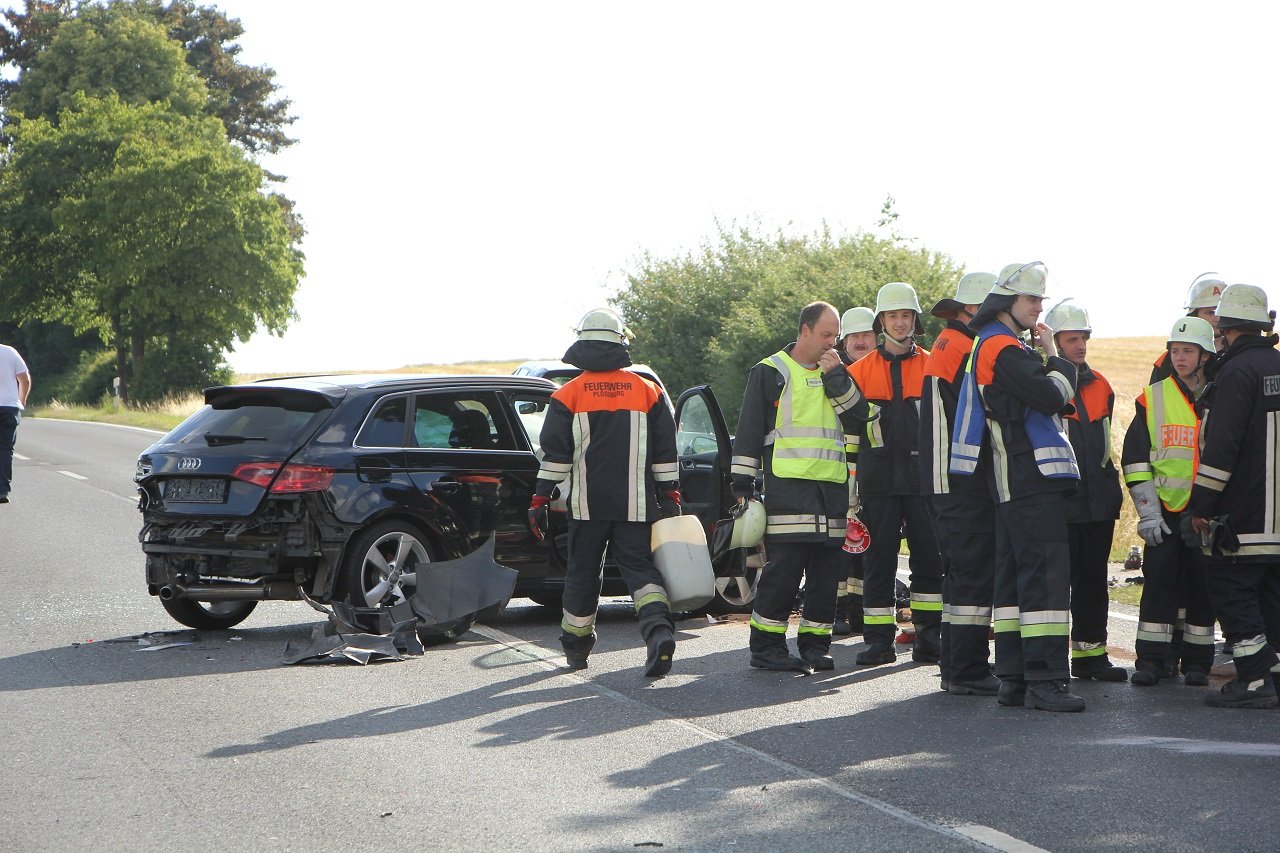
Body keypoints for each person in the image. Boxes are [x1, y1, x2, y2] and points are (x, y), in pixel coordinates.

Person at [950, 262, 1086, 712]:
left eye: (1040, 299)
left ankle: (1015, 679)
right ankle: (1046, 680)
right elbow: (1053, 396)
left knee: (1013, 583)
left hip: (1011, 482)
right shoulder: (1004, 348)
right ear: (1007, 301)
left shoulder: (991, 344)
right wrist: (1056, 357)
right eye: (1031, 299)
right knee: (1045, 581)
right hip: (1030, 479)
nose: (1039, 308)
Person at [528, 307, 682, 677]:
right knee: (640, 570)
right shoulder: (649, 392)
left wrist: (540, 498)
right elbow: (666, 452)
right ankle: (658, 631)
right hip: (637, 505)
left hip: (588, 507)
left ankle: (576, 648)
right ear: (620, 343)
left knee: (582, 574)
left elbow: (555, 457)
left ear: (581, 345)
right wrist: (670, 495)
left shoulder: (567, 395)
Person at [731, 301, 862, 672]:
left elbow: (860, 417)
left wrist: (837, 378)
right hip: (789, 490)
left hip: (831, 490)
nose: (831, 343)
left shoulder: (838, 371)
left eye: (835, 336)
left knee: (826, 576)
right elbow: (749, 429)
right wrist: (741, 484)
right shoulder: (770, 371)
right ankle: (766, 647)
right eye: (825, 335)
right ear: (805, 330)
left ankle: (816, 646)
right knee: (784, 571)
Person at [1188, 284, 1280, 708]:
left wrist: (1201, 506)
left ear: (1224, 328)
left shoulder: (1237, 373)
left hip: (1244, 517)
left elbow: (1221, 447)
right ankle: (1273, 677)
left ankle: (1255, 680)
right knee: (1271, 599)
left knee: (1230, 589)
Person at [846, 282, 943, 667]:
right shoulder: (859, 372)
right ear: (881, 321)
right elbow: (849, 435)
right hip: (878, 482)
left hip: (924, 480)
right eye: (892, 316)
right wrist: (851, 487)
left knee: (929, 560)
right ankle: (878, 642)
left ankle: (929, 638)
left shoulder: (934, 365)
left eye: (906, 315)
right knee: (878, 562)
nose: (900, 322)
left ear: (915, 320)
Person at [1121, 316, 1217, 687]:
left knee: (1201, 587)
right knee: (1159, 584)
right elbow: (1135, 459)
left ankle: (1197, 663)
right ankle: (1151, 661)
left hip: (1206, 511)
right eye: (1175, 351)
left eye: (1188, 351)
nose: (1180, 358)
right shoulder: (1153, 397)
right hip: (1164, 510)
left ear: (1204, 356)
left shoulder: (1222, 396)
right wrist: (1147, 513)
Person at [920, 271, 1000, 695]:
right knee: (971, 574)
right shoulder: (965, 348)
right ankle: (967, 670)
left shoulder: (948, 343)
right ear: (974, 309)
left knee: (960, 575)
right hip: (960, 479)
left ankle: (956, 666)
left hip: (944, 479)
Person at [1043, 299, 1127, 682]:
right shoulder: (1044, 385)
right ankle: (1049, 664)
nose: (1080, 346)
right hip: (1060, 504)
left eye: (1083, 339)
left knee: (1093, 583)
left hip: (1098, 504)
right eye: (1071, 339)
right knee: (1054, 588)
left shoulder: (1101, 385)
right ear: (1055, 342)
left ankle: (1091, 657)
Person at [833, 305, 876, 636]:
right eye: (855, 336)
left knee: (869, 543)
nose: (861, 342)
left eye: (867, 335)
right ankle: (836, 611)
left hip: (874, 471)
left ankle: (861, 611)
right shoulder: (834, 374)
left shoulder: (881, 371)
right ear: (844, 342)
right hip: (838, 471)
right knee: (838, 545)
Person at [1150, 273, 1226, 382]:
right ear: (1194, 315)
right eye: (1210, 312)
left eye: (1222, 312)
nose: (1217, 318)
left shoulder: (1239, 356)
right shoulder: (1168, 361)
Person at [0, 339, 31, 504]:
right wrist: (21, 400)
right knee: (5, 449)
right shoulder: (9, 352)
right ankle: (2, 490)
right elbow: (24, 379)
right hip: (9, 407)